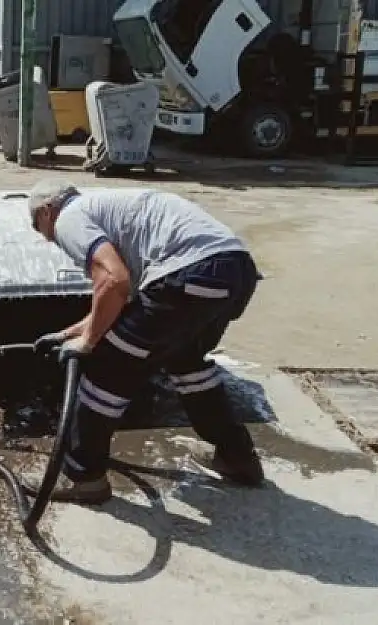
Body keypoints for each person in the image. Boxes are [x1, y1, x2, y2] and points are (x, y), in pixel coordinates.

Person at [27, 180, 264, 504]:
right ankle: (238, 458)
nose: (49, 238)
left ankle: (86, 479)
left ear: (46, 211)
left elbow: (113, 280)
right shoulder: (112, 208)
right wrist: (74, 332)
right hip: (233, 273)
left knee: (107, 367)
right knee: (185, 362)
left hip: (188, 278)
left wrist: (90, 342)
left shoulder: (69, 217)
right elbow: (128, 297)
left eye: (41, 229)